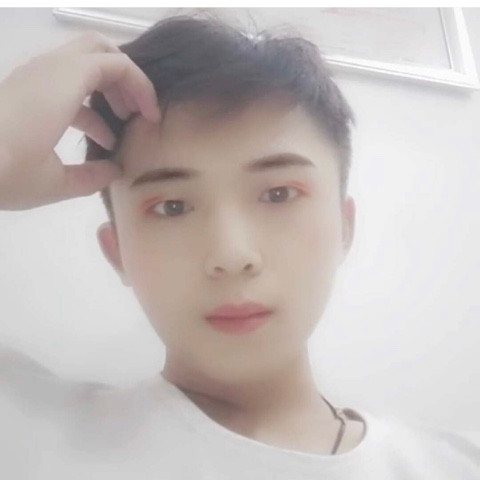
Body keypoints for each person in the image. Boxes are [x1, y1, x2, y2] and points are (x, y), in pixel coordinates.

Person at [0, 11, 479, 480]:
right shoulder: (25, 431)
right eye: (172, 207)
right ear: (116, 250)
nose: (231, 256)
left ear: (343, 227)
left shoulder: (457, 464)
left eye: (279, 194)